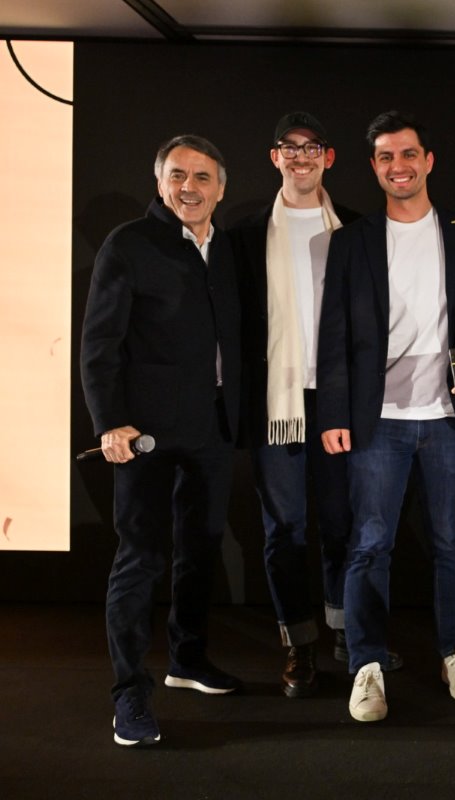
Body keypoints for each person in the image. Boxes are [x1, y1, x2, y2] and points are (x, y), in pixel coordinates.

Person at [317, 111, 455, 723]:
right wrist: (333, 412)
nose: (399, 166)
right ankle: (366, 664)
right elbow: (334, 333)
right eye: (386, 157)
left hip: (447, 417)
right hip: (376, 420)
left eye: (408, 154)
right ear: (374, 167)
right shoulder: (352, 241)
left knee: (452, 545)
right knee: (369, 544)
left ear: (428, 161)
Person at [230, 111, 399, 699]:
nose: (300, 157)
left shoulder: (356, 227)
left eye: (312, 147)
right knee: (285, 530)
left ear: (328, 157)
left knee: (341, 524)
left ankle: (349, 637)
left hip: (336, 398)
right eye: (290, 147)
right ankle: (298, 646)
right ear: (274, 157)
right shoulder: (246, 235)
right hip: (275, 402)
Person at [81, 134, 242, 747]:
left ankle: (187, 659)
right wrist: (109, 423)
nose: (189, 187)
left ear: (220, 188)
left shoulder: (227, 249)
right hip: (142, 434)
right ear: (159, 182)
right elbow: (99, 343)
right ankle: (129, 694)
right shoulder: (128, 244)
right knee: (141, 558)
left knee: (200, 550)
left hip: (211, 429)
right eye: (177, 175)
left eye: (202, 177)